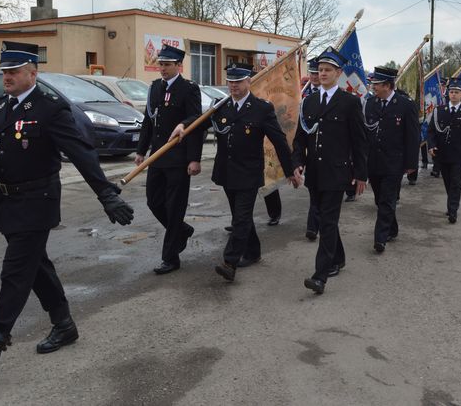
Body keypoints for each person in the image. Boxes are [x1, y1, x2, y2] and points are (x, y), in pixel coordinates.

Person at [0, 42, 134, 381]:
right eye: (4, 72)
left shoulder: (51, 108)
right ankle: (64, 325)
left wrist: (106, 194)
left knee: (15, 272)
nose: (6, 77)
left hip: (38, 202)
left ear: (32, 73)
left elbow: (82, 153)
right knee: (35, 265)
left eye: (13, 72)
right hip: (7, 203)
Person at [175, 63, 296, 282]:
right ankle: (254, 251)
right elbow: (200, 124)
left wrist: (290, 170)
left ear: (249, 82)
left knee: (240, 219)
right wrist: (184, 124)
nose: (233, 86)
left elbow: (279, 140)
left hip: (249, 173)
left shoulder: (262, 108)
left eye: (238, 81)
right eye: (230, 81)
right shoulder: (220, 106)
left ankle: (230, 262)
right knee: (241, 217)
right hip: (227, 172)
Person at [293, 47, 368, 294]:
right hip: (315, 172)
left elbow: (359, 141)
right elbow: (301, 137)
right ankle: (339, 257)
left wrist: (360, 174)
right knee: (327, 219)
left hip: (337, 173)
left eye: (327, 70)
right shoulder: (309, 101)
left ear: (338, 73)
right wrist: (297, 162)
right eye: (320, 70)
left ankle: (320, 275)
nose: (322, 74)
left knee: (327, 220)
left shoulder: (349, 102)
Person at [135, 44, 203, 275]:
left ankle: (170, 257)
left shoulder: (189, 89)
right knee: (154, 201)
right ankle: (182, 231)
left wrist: (194, 159)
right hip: (157, 156)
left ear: (178, 66)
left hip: (178, 158)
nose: (162, 69)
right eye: (160, 64)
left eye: (166, 65)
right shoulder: (155, 88)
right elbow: (148, 120)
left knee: (175, 208)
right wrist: (141, 150)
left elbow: (197, 121)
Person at [363, 66, 419, 253]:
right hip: (374, 161)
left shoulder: (405, 105)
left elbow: (412, 137)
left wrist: (411, 165)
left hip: (394, 162)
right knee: (380, 200)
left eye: (376, 84)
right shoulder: (370, 104)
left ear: (387, 85)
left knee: (387, 199)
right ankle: (392, 227)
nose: (372, 87)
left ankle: (380, 238)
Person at [428, 79, 461, 224]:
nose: (453, 95)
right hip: (442, 153)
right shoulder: (439, 111)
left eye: (456, 92)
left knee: (456, 182)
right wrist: (431, 146)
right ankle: (451, 203)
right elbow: (431, 131)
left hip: (459, 154)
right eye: (451, 92)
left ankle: (453, 210)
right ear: (448, 94)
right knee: (448, 182)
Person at [302, 58, 322, 241]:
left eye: (318, 73)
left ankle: (315, 226)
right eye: (312, 73)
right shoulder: (302, 95)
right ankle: (312, 226)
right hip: (311, 153)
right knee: (313, 192)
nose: (315, 76)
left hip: (331, 157)